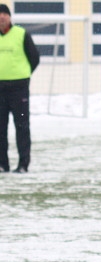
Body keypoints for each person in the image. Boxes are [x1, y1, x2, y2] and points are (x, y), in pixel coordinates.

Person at [0, 3, 39, 173]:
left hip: (19, 90)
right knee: (0, 129)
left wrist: (23, 76)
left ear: (9, 17)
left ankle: (23, 165)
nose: (1, 17)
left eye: (4, 14)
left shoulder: (21, 34)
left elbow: (34, 58)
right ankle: (2, 164)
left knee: (22, 127)